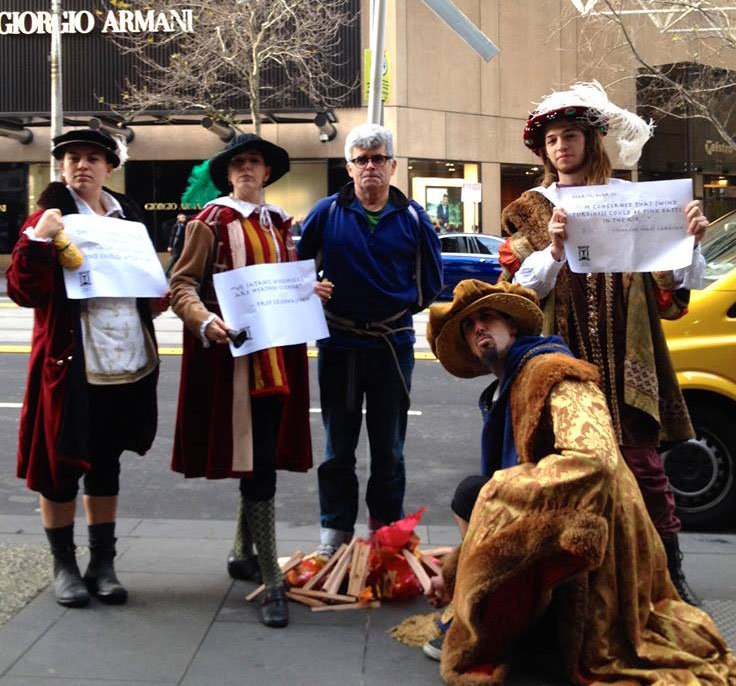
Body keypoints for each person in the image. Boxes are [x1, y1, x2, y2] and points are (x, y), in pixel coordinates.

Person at [421, 278, 736, 685]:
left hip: (597, 531)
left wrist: (504, 494)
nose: (479, 328)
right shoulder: (507, 386)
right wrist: (453, 573)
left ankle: (515, 623)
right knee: (475, 492)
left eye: (488, 318)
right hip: (563, 513)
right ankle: (493, 613)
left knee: (482, 492)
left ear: (512, 327)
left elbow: (595, 461)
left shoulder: (553, 372)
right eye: (469, 325)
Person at [497, 82, 708, 605]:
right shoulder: (530, 210)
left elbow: (669, 288)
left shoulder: (633, 200)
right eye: (551, 140)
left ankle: (668, 580)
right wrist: (556, 248)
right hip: (560, 359)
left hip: (626, 353)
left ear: (591, 141)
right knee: (561, 474)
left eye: (570, 135)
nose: (560, 146)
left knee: (646, 472)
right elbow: (517, 293)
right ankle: (567, 594)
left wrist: (689, 242)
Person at [170, 133, 330, 628]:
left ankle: (243, 552)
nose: (245, 168)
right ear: (229, 173)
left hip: (278, 357)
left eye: (253, 162)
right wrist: (203, 320)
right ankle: (271, 580)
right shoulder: (209, 222)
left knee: (262, 457)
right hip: (233, 361)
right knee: (258, 463)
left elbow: (283, 288)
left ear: (266, 173)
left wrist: (311, 291)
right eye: (237, 162)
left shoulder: (280, 224)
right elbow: (181, 285)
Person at [6, 128, 161, 608]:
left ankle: (103, 563)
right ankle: (64, 566)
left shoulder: (128, 215)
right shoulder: (47, 218)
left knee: (105, 463)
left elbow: (145, 283)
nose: (82, 166)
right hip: (72, 361)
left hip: (125, 359)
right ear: (60, 166)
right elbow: (22, 291)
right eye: (72, 157)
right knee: (58, 467)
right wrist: (38, 240)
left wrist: (155, 295)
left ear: (109, 167)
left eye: (93, 158)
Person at [298, 123, 443, 556]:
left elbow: (430, 283)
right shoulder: (326, 212)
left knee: (389, 450)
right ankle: (334, 536)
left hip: (392, 346)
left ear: (393, 165)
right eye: (361, 160)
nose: (370, 167)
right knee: (337, 448)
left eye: (378, 158)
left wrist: (394, 310)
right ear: (349, 167)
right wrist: (311, 289)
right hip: (339, 344)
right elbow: (297, 274)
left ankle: (386, 536)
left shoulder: (415, 217)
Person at [165, 212, 187, 277]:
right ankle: (166, 271)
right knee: (174, 258)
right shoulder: (176, 226)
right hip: (176, 245)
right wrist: (170, 246)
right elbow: (172, 236)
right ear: (178, 218)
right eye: (182, 217)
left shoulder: (185, 226)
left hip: (183, 245)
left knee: (181, 259)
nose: (184, 218)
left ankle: (179, 273)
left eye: (184, 217)